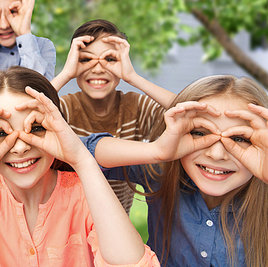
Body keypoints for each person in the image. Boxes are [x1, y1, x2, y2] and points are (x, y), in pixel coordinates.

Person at [0, 66, 160, 267]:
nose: (20, 147)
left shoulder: (83, 195)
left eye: (35, 128)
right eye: (1, 132)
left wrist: (82, 160)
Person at [83, 75, 268, 266]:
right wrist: (156, 151)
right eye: (199, 133)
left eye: (239, 138)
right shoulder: (162, 171)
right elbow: (75, 151)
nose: (217, 154)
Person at [51, 19, 176, 214]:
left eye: (109, 59)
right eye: (86, 59)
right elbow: (23, 111)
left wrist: (133, 77)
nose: (98, 68)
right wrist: (66, 73)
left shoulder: (136, 107)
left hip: (117, 222)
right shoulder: (64, 108)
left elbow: (192, 109)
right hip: (67, 222)